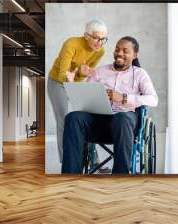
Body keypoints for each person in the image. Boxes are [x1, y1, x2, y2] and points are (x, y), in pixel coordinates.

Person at [61, 36, 158, 174]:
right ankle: (70, 176)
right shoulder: (100, 71)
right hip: (99, 122)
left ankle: (119, 177)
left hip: (125, 124)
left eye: (125, 51)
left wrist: (123, 98)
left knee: (122, 118)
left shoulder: (140, 74)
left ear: (135, 55)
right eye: (117, 49)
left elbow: (153, 99)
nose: (119, 53)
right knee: (73, 117)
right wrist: (73, 82)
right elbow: (84, 95)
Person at [47, 19, 107, 163]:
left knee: (86, 118)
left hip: (77, 82)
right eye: (96, 38)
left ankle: (94, 159)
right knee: (64, 120)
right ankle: (66, 161)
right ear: (86, 36)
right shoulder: (71, 44)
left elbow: (85, 73)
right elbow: (62, 75)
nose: (100, 43)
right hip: (57, 82)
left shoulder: (100, 51)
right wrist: (71, 77)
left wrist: (82, 73)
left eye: (103, 39)